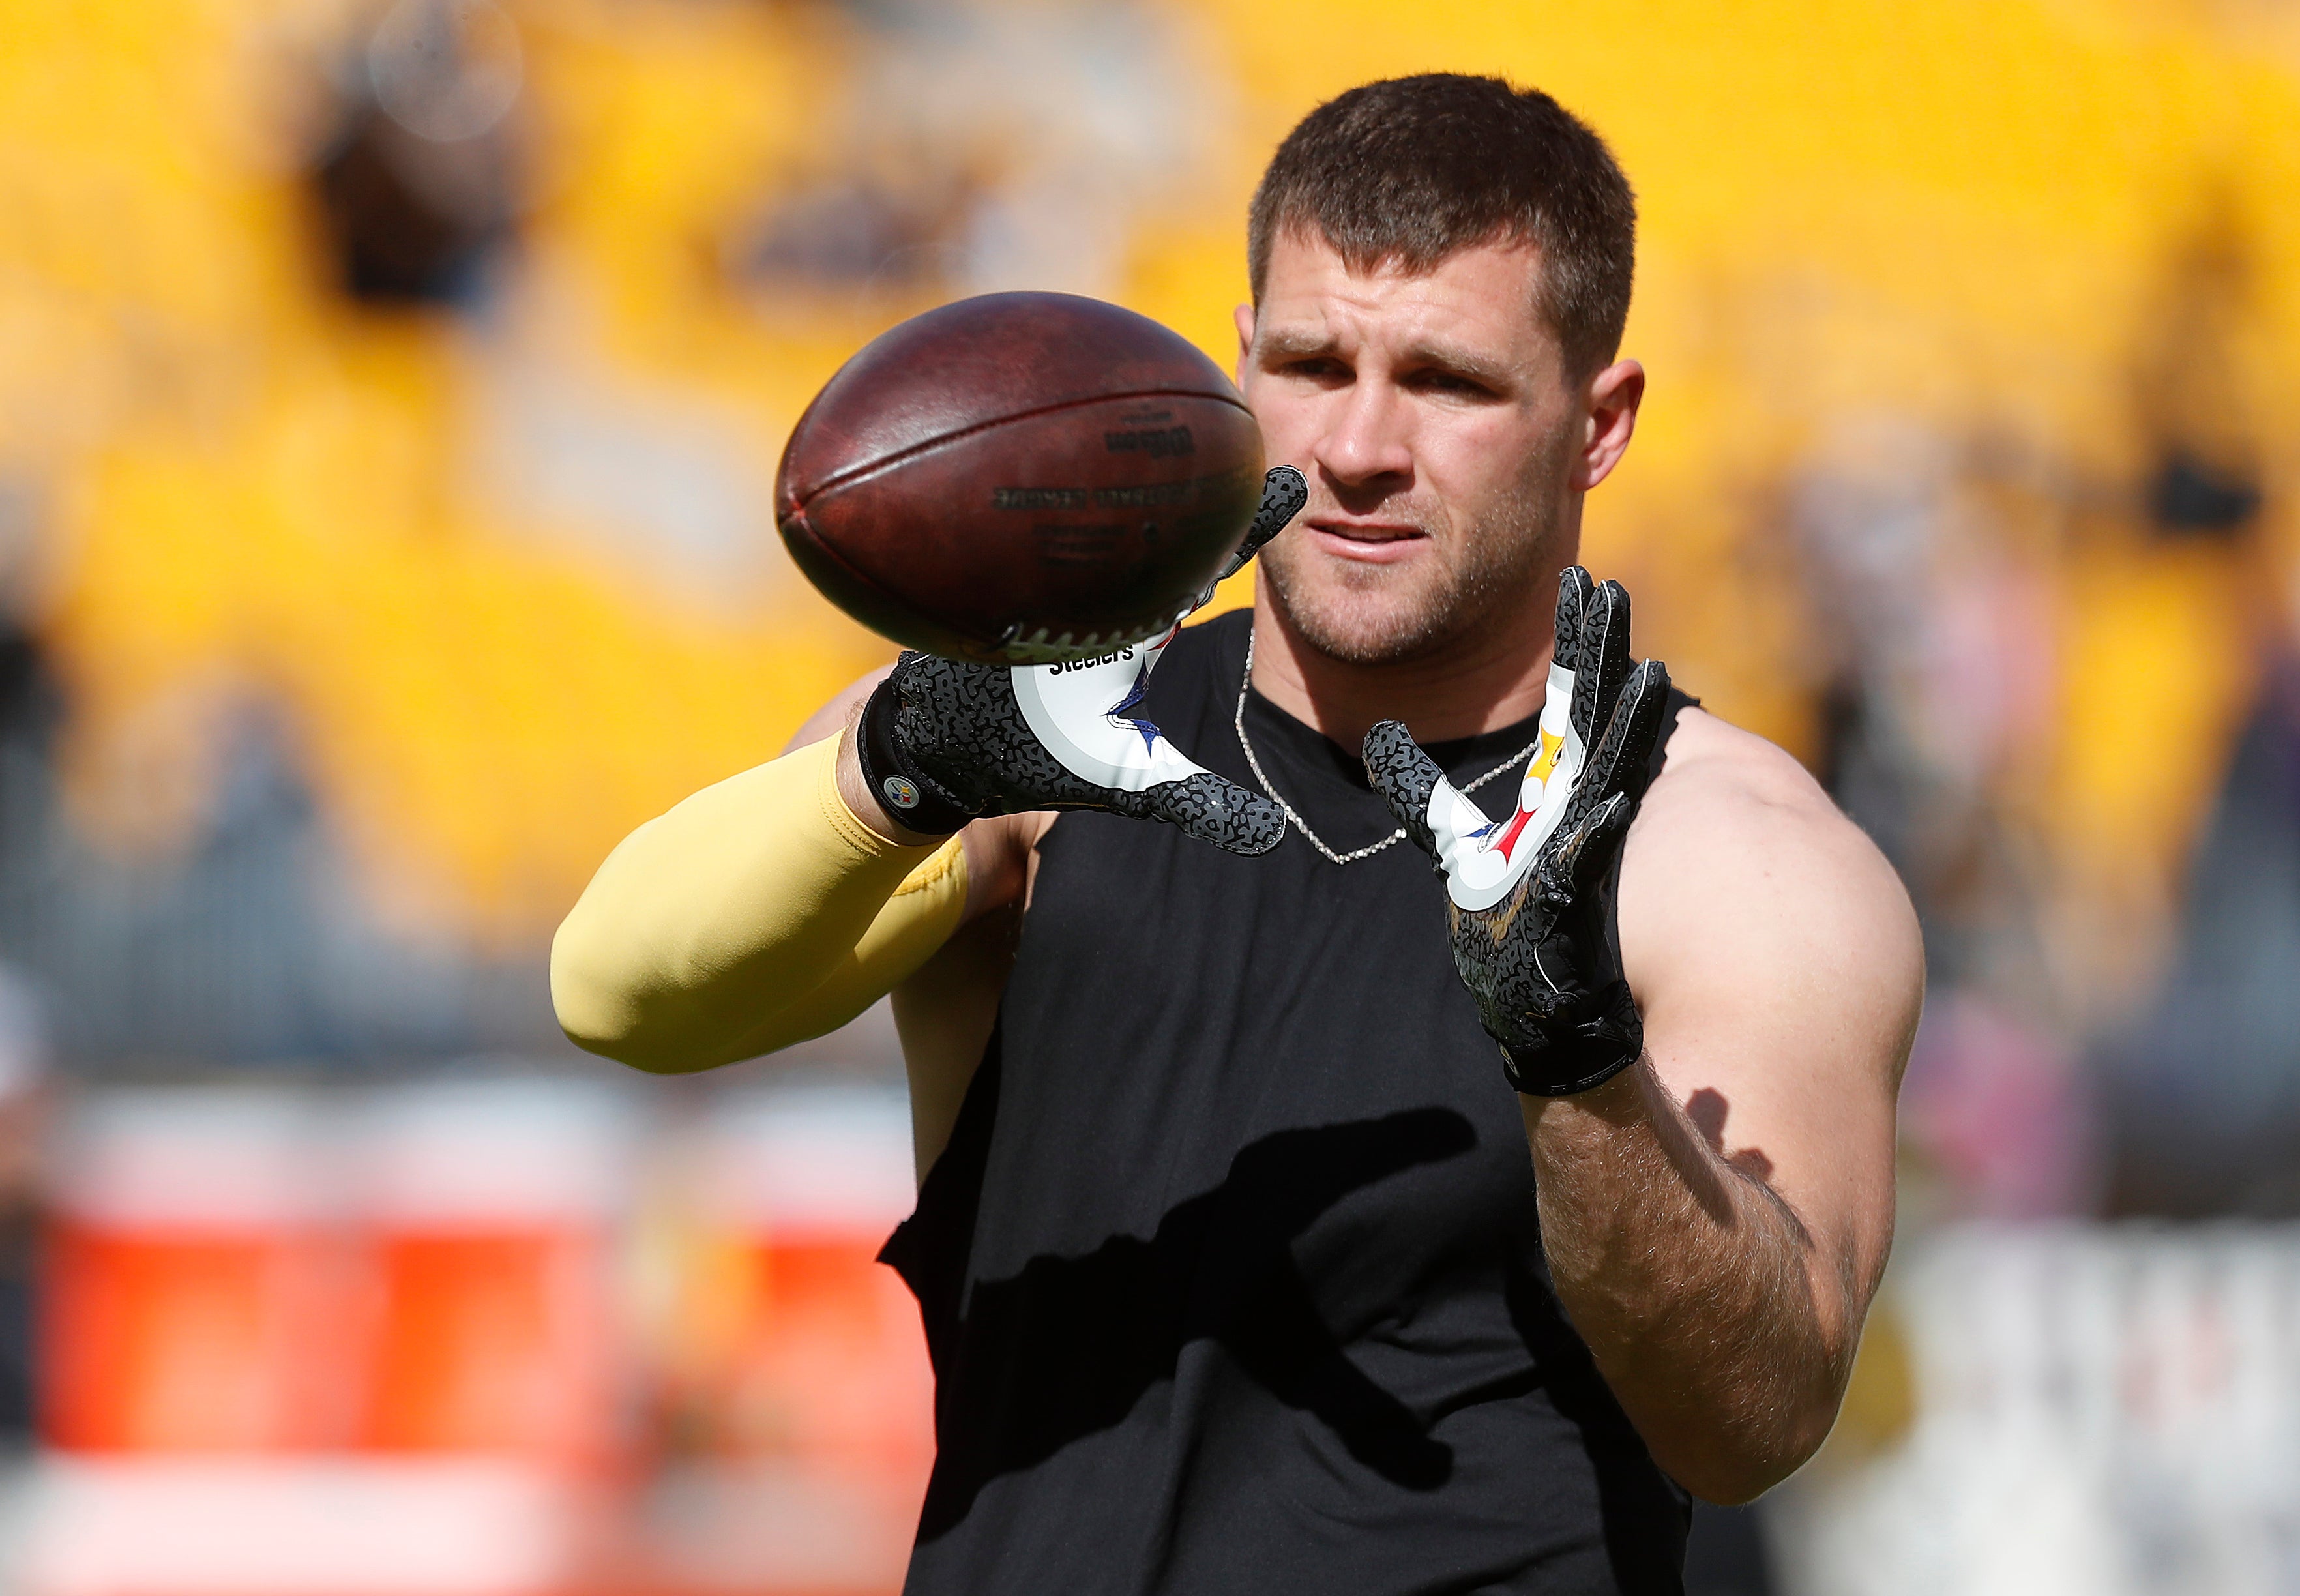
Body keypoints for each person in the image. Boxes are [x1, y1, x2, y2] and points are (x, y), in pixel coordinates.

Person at [553, 74, 1922, 1596]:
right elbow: (618, 1000)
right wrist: (895, 768)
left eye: (1449, 384)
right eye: (1313, 365)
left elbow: (1755, 1423)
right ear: (1238, 365)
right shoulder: (1039, 745)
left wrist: (1576, 1066)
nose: (1359, 446)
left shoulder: (1725, 856)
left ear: (1596, 425)